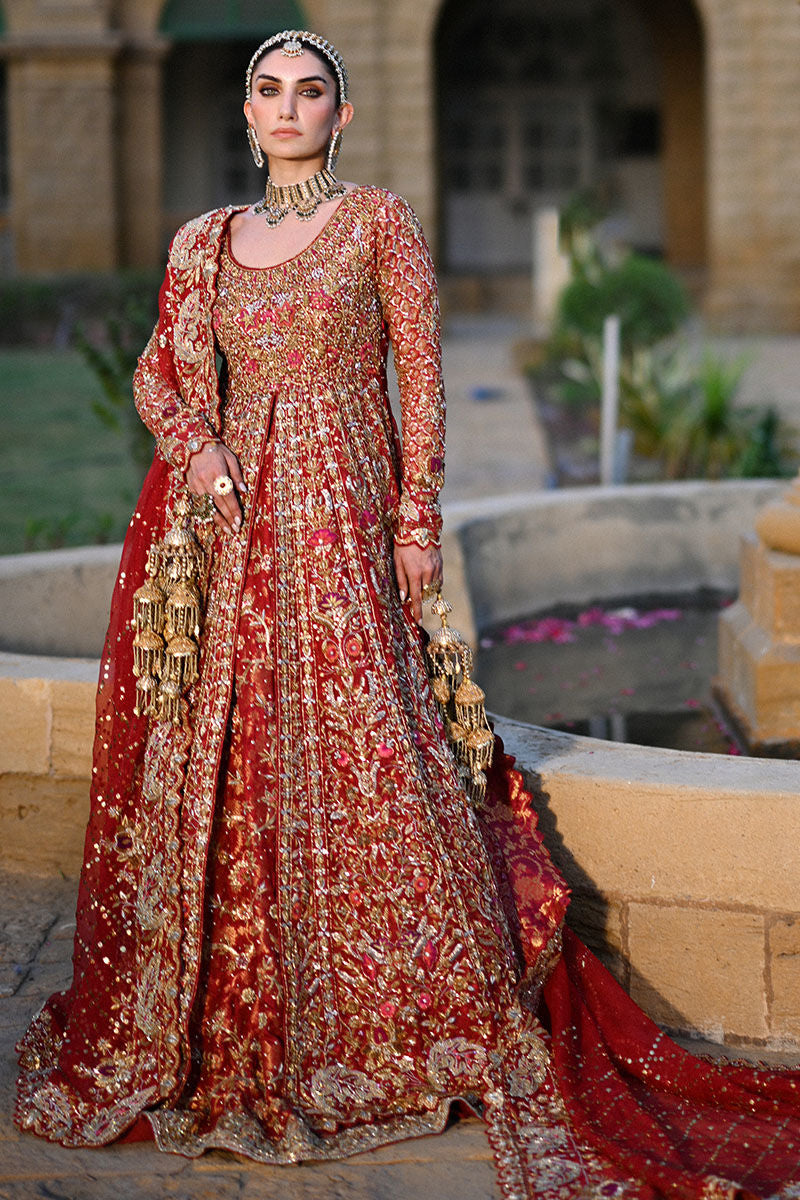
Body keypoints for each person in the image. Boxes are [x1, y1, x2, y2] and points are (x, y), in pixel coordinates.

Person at [14, 29, 800, 1199]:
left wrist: (415, 523)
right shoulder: (201, 243)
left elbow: (419, 377)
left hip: (339, 518)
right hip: (231, 540)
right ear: (245, 114)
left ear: (340, 115)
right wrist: (206, 461)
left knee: (367, 751)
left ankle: (390, 1027)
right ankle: (241, 1015)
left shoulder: (377, 222)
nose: (287, 109)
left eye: (310, 92)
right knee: (228, 765)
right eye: (268, 91)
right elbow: (156, 374)